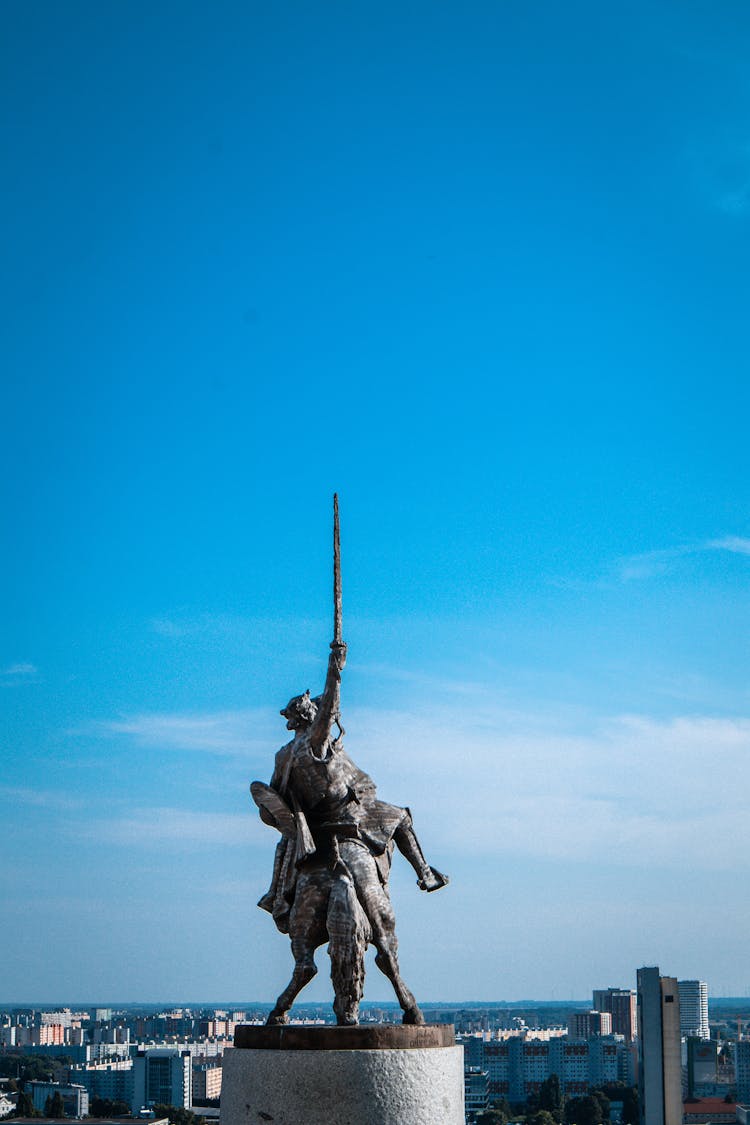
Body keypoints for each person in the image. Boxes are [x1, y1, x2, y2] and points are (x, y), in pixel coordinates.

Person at [252, 640, 448, 935]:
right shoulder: (314, 742)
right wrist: (335, 668)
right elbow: (330, 705)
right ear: (310, 716)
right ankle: (425, 874)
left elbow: (275, 801)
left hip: (309, 827)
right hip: (348, 813)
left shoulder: (283, 754)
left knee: (285, 844)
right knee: (402, 817)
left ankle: (276, 892)